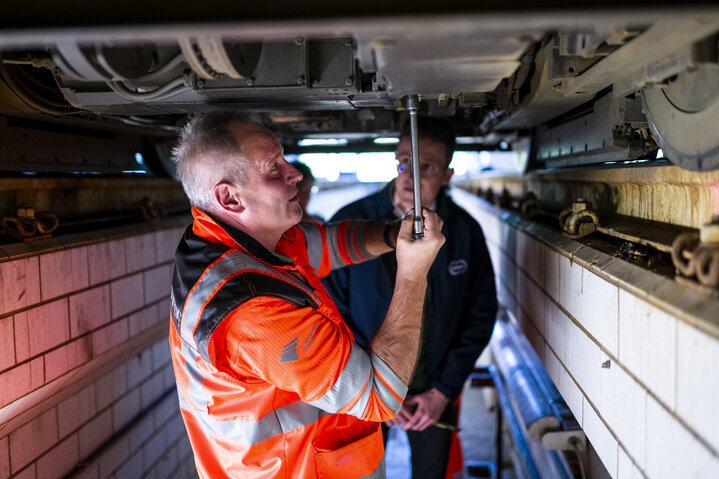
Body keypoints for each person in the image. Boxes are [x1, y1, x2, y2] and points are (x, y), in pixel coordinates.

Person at [167, 113, 445, 479]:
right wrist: (413, 272)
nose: (294, 173)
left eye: (283, 159)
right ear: (229, 198)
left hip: (321, 458)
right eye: (273, 169)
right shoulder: (253, 311)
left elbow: (329, 244)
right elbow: (380, 395)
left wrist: (393, 234)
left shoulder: (237, 239)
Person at [323, 117, 498, 479]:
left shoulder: (464, 232)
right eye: (403, 161)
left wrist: (443, 391)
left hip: (432, 396)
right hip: (362, 390)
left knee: (432, 474)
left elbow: (480, 315)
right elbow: (329, 314)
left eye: (427, 167)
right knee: (358, 474)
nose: (409, 176)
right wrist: (367, 385)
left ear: (447, 175)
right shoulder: (350, 224)